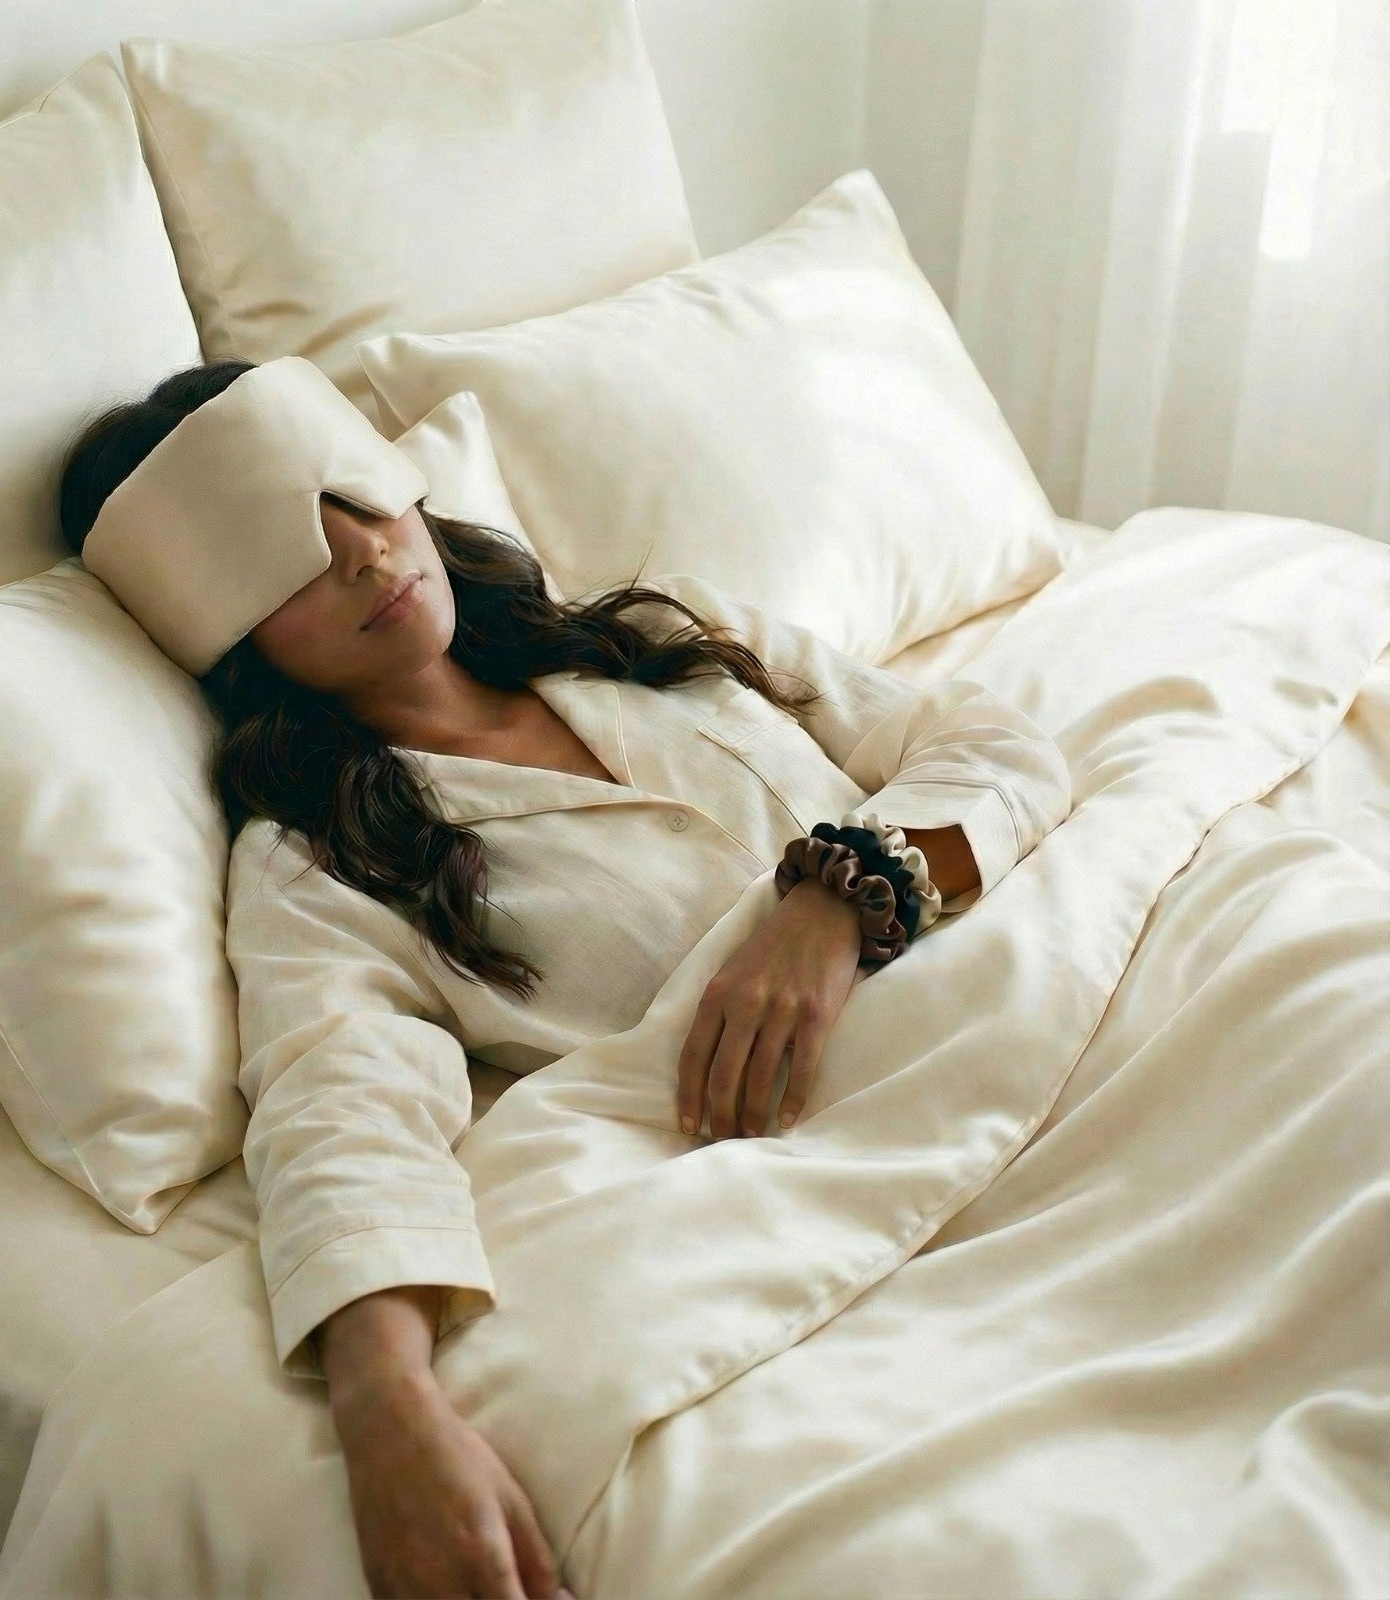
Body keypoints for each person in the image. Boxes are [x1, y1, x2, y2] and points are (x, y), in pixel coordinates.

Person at [58, 355, 1072, 1600]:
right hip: (883, 1151)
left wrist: (836, 892)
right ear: (224, 632)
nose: (365, 554)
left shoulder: (655, 637)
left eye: (359, 501)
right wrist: (388, 1407)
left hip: (1058, 999)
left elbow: (996, 749)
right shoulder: (320, 863)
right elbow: (343, 1109)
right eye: (286, 555)